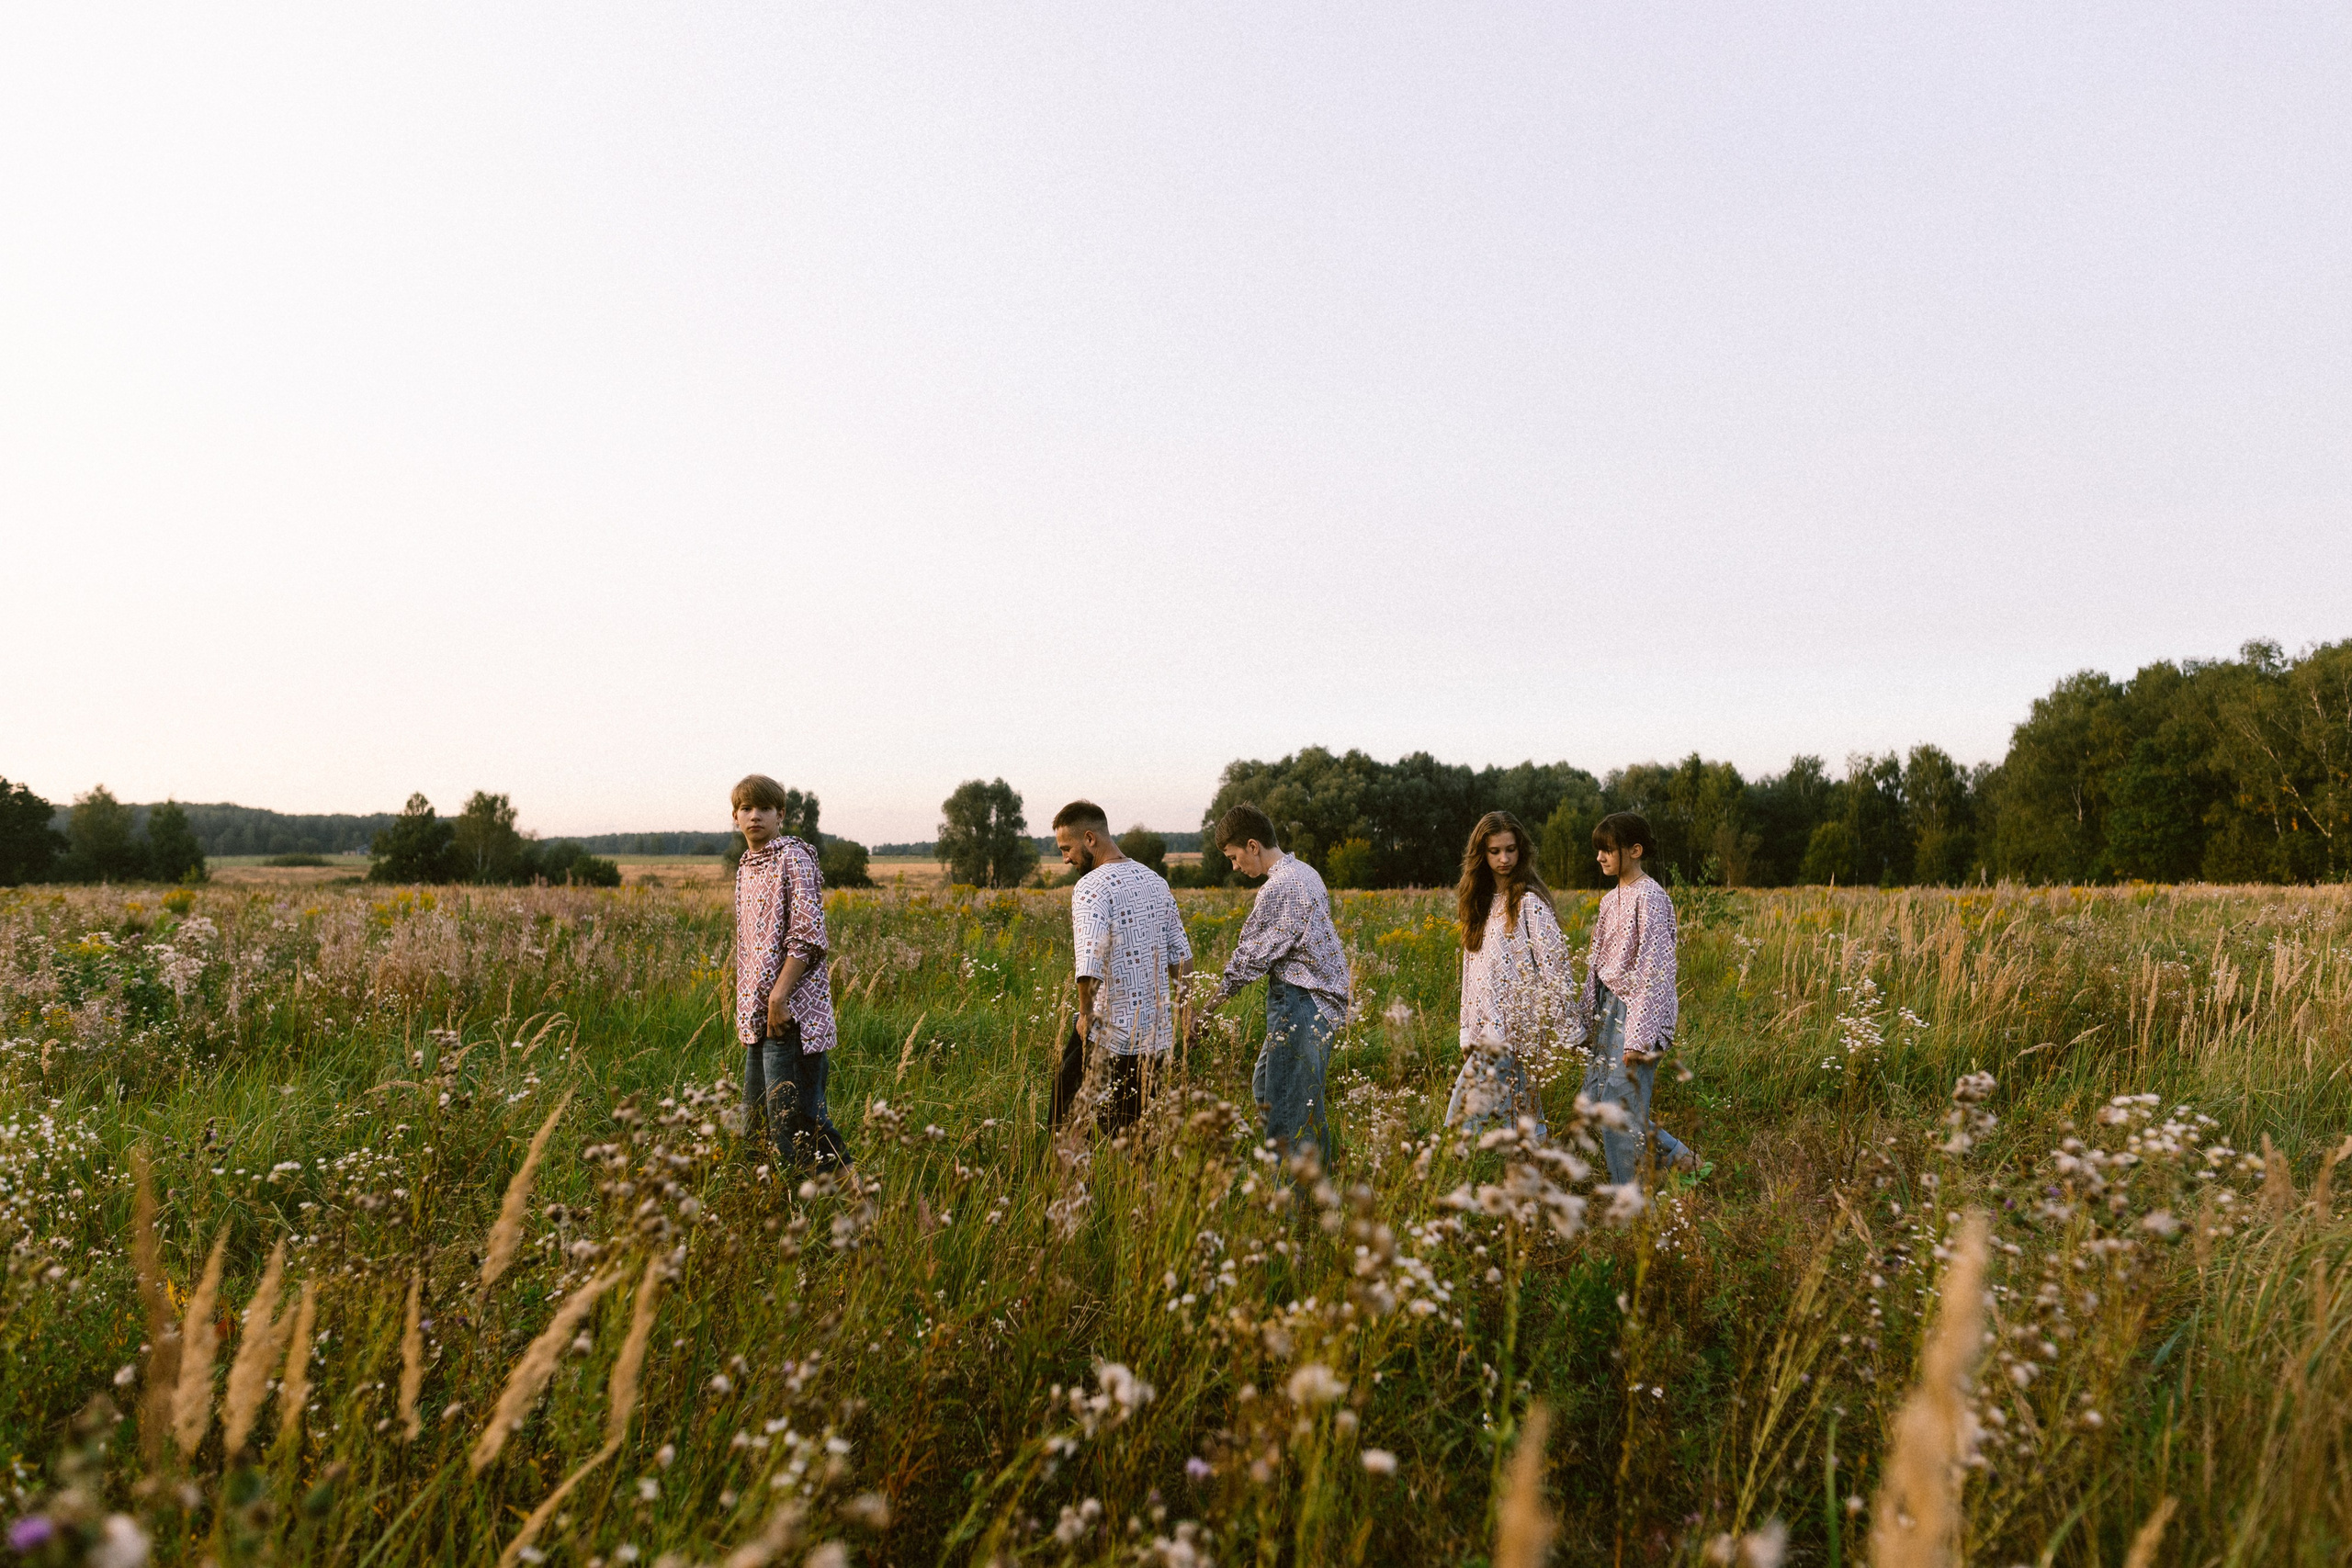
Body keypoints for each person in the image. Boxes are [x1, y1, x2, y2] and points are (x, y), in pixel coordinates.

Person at [1192, 803, 1351, 1165]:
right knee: (1269, 1086)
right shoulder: (1305, 872)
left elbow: (1249, 959)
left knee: (1288, 1111)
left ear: (1253, 846)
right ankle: (1316, 1177)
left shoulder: (1280, 886)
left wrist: (1207, 1009)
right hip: (1316, 1000)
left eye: (1234, 857)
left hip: (1302, 1001)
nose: (1234, 867)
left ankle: (1294, 1194)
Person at [1051, 800, 1193, 1135]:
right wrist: (1187, 1011)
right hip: (1156, 1036)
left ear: (1089, 839)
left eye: (1067, 848)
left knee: (1064, 1121)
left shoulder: (1090, 886)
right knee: (1136, 1134)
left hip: (1109, 1033)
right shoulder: (1155, 881)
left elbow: (1089, 959)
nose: (1065, 859)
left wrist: (1085, 1015)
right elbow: (1182, 956)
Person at [1570, 810, 1696, 1183]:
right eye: (1598, 850)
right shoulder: (1610, 900)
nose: (1599, 857)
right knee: (1598, 1102)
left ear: (1635, 850)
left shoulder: (1651, 897)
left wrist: (1639, 1037)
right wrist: (1586, 1020)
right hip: (1607, 1010)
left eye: (1608, 850)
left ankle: (1630, 1197)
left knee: (1620, 1106)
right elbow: (1596, 964)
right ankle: (1677, 1157)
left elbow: (1655, 971)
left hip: (1637, 1012)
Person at [732, 773, 851, 1168]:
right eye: (746, 808)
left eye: (764, 808)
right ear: (735, 817)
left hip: (792, 1014)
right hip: (760, 1017)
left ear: (780, 814)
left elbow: (808, 935)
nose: (755, 816)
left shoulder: (793, 857)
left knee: (800, 1125)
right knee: (756, 1127)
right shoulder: (747, 866)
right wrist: (753, 1011)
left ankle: (859, 1198)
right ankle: (771, 1200)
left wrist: (779, 997)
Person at [1448, 811, 1570, 1135]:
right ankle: (1535, 1163)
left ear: (1521, 850)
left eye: (1511, 849)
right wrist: (1466, 1031)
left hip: (1517, 1031)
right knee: (1523, 1117)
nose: (1504, 859)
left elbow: (1556, 968)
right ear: (1482, 854)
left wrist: (1566, 1029)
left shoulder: (1530, 903)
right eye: (1495, 851)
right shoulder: (1478, 904)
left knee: (1463, 1120)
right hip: (1485, 1030)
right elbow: (1470, 975)